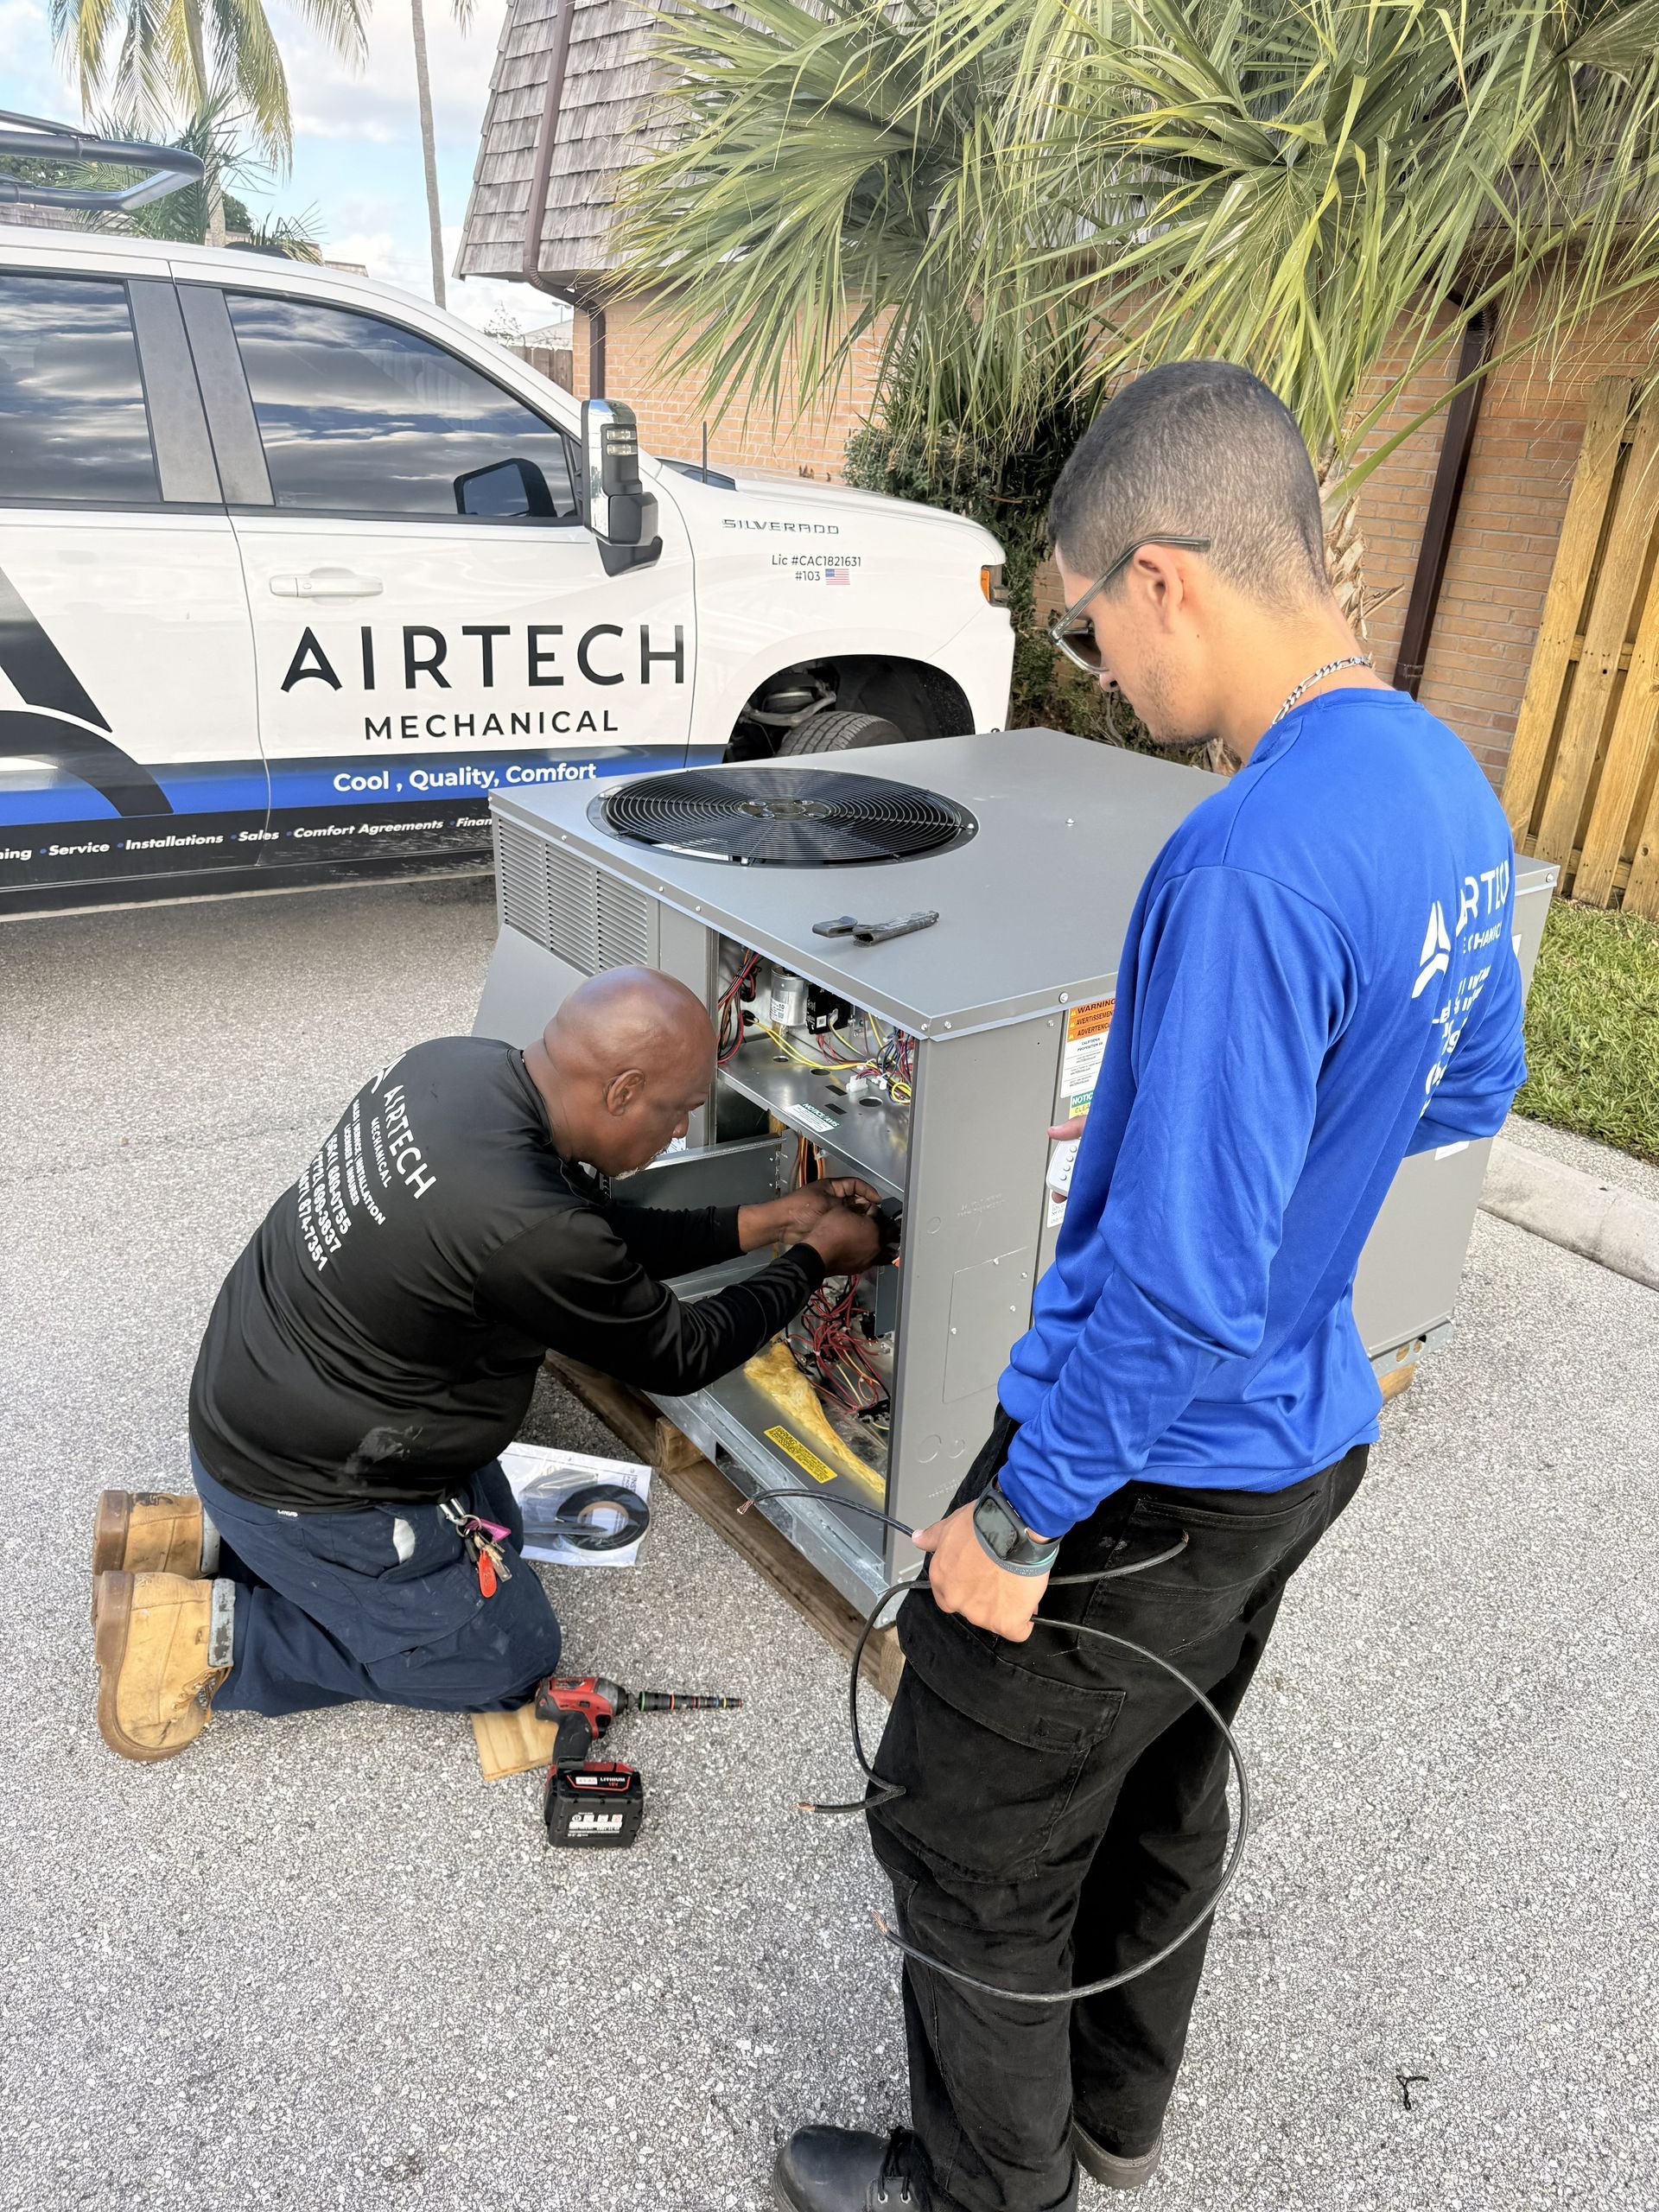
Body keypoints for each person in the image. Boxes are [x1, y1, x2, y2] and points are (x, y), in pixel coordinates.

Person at [774, 362, 1529, 2212]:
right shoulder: (1437, 777)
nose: (1100, 670)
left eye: (1088, 627)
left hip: (1147, 1472)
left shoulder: (1249, 860)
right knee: (1164, 1774)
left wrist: (1018, 1523)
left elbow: (1182, 1295)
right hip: (1301, 1440)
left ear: (1165, 577)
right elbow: (1468, 1085)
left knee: (961, 1835)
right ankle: (1115, 2111)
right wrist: (1297, 1194)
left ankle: (989, 2194)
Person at [90, 966, 880, 1762]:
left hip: (254, 1409)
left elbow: (591, 1238)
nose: (678, 1132)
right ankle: (206, 1637)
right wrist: (814, 1259)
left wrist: (768, 1223)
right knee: (506, 1656)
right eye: (676, 1111)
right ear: (622, 1091)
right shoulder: (531, 1226)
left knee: (498, 1525)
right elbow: (681, 1353)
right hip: (312, 1483)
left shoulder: (453, 1066)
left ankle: (193, 1538)